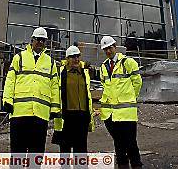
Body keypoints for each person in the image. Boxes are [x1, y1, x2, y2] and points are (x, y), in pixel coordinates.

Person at [2, 27, 60, 153]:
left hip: (41, 115)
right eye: (38, 40)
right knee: (18, 152)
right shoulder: (20, 57)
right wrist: (7, 100)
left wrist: (55, 108)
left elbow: (55, 86)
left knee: (37, 152)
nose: (40, 43)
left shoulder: (50, 63)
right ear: (32, 40)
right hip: (19, 113)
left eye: (43, 40)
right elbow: (10, 80)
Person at [99, 36, 143, 169]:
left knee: (131, 144)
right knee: (118, 144)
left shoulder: (128, 62)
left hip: (126, 113)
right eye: (105, 49)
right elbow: (105, 87)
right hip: (110, 114)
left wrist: (130, 98)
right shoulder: (103, 67)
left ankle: (136, 165)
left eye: (110, 48)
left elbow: (137, 82)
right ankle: (123, 166)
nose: (108, 51)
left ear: (115, 47)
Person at [53, 45, 94, 156]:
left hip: (82, 116)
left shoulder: (85, 72)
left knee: (81, 149)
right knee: (65, 149)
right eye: (72, 57)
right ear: (67, 59)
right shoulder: (60, 73)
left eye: (77, 56)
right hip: (67, 116)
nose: (76, 59)